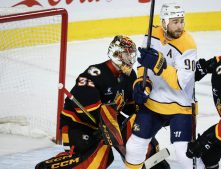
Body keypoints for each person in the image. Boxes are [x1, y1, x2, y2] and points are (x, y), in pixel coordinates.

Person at [35, 35, 169, 169]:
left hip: (108, 124)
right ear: (116, 54)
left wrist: (150, 106)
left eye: (132, 55)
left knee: (137, 132)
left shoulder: (129, 76)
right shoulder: (95, 73)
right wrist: (106, 127)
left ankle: (154, 164)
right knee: (99, 159)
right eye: (126, 55)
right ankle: (47, 167)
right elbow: (88, 108)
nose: (130, 60)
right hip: (78, 125)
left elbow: (131, 109)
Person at [125, 2, 204, 169]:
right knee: (133, 147)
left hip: (180, 107)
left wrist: (159, 64)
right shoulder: (151, 33)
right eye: (175, 22)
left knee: (184, 155)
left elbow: (180, 83)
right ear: (164, 22)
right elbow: (143, 65)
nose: (180, 26)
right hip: (153, 104)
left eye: (182, 21)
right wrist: (142, 83)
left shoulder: (188, 45)